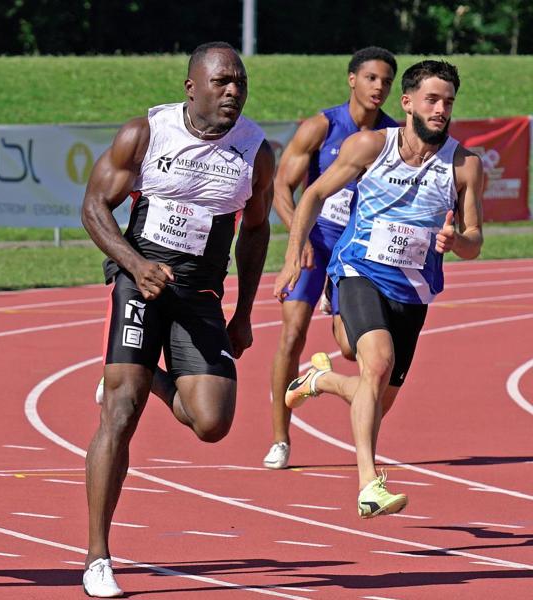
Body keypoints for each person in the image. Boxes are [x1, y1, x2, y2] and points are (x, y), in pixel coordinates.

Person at [81, 42, 273, 597]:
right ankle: (98, 556)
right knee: (121, 412)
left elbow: (256, 230)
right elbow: (95, 207)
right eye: (222, 82)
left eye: (240, 82)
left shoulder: (255, 151)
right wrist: (135, 266)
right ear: (192, 86)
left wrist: (244, 312)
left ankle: (153, 379)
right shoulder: (145, 134)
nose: (233, 91)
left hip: (201, 294)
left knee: (212, 423)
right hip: (140, 285)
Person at [274, 60, 483, 519]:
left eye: (448, 101)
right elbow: (312, 195)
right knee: (378, 362)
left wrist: (458, 241)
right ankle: (369, 482)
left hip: (413, 291)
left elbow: (475, 241)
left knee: (376, 390)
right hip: (358, 270)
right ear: (407, 103)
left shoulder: (465, 165)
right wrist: (294, 255)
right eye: (432, 99)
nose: (441, 109)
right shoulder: (371, 145)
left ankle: (321, 379)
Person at [262, 47, 398, 470]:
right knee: (292, 333)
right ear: (352, 79)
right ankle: (281, 438)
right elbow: (281, 188)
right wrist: (298, 238)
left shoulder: (391, 136)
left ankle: (318, 377)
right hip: (317, 239)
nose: (379, 87)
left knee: (351, 348)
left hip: (357, 247)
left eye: (387, 81)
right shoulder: (321, 127)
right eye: (372, 78)